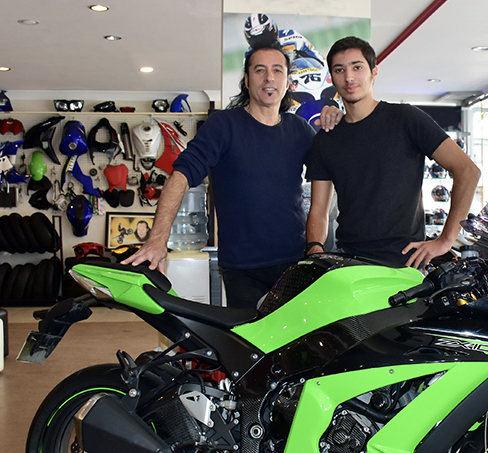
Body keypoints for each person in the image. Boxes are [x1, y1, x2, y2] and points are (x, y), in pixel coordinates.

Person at [123, 41, 337, 309]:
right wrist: (157, 239)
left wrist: (338, 120)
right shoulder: (223, 126)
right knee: (247, 336)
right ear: (246, 80)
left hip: (294, 263)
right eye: (259, 70)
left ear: (287, 82)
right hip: (242, 269)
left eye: (277, 70)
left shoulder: (300, 130)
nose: (269, 77)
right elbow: (181, 175)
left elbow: (331, 173)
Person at [305, 37, 481, 269]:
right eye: (340, 70)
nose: (349, 78)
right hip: (350, 262)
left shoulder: (406, 119)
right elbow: (319, 210)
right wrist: (315, 248)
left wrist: (446, 240)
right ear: (332, 77)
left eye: (357, 67)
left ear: (374, 72)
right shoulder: (326, 139)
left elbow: (468, 170)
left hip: (406, 263)